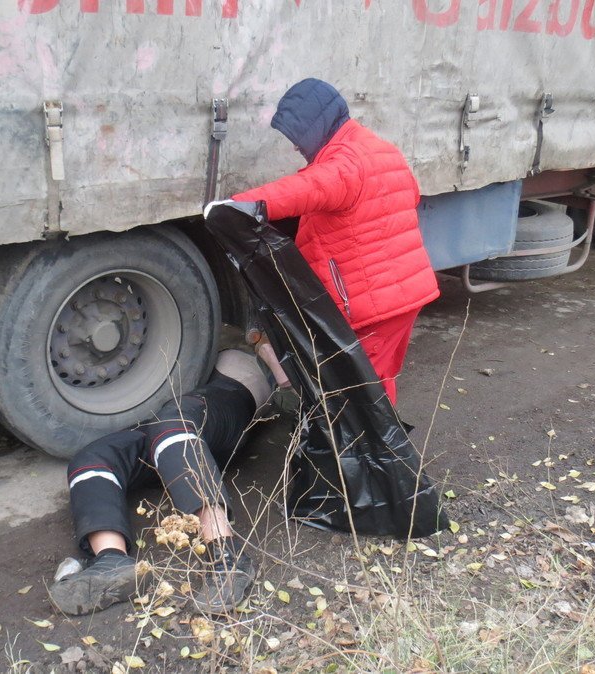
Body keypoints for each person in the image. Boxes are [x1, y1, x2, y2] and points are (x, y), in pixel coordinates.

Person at [229, 78, 439, 405]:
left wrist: (232, 206)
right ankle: (380, 449)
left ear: (316, 126)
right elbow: (410, 196)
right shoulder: (380, 149)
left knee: (356, 397)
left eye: (297, 138)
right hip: (404, 297)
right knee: (378, 384)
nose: (296, 147)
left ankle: (360, 453)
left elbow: (299, 191)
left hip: (375, 307)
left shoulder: (343, 165)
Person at [48, 348, 279, 615]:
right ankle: (111, 560)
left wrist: (264, 349)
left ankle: (227, 556)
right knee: (91, 458)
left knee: (173, 423)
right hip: (164, 429)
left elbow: (286, 375)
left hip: (224, 406)